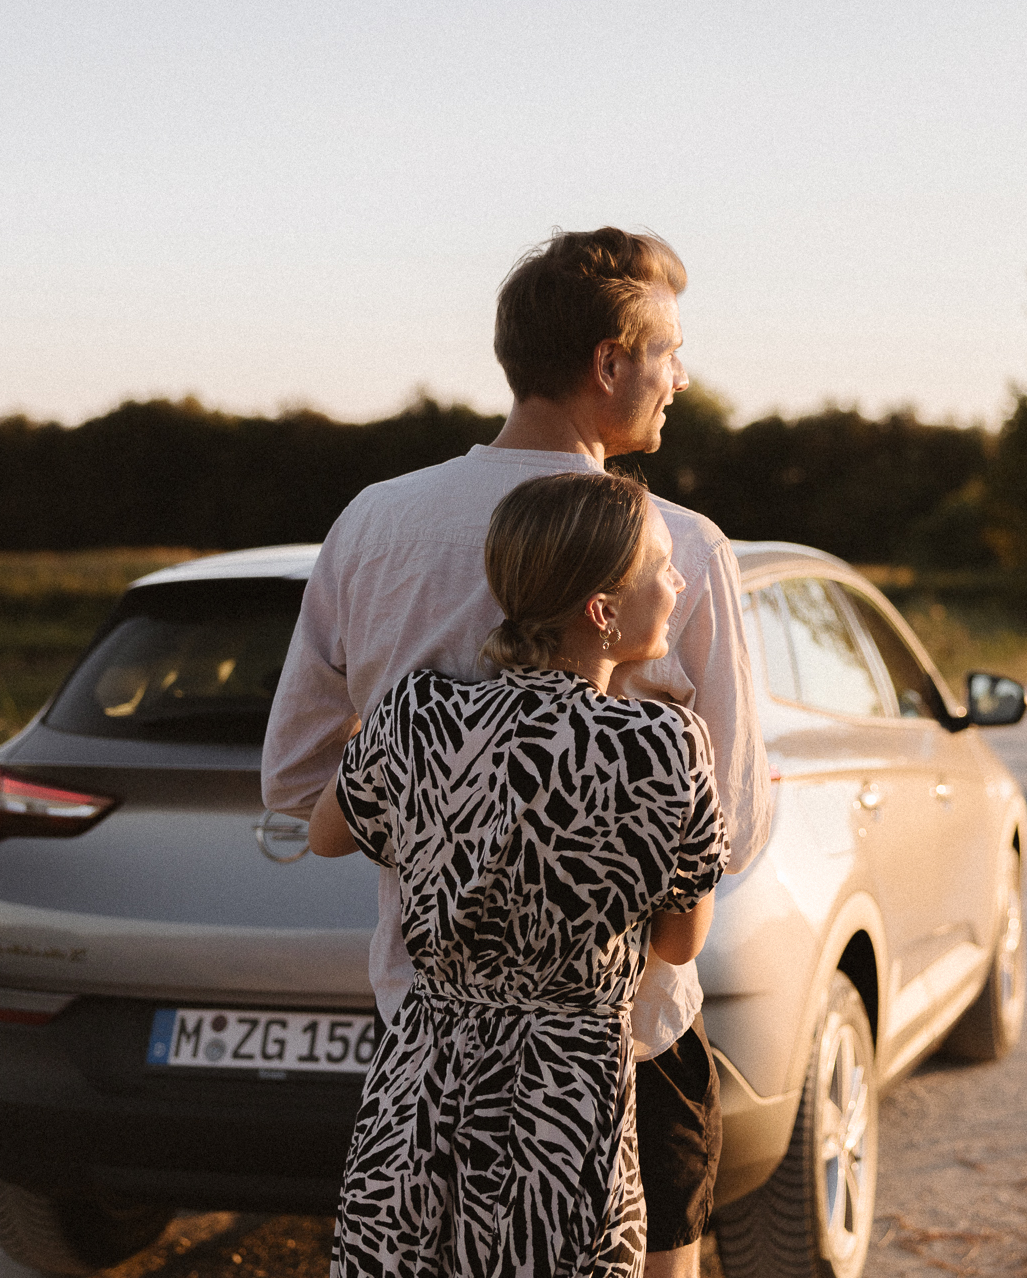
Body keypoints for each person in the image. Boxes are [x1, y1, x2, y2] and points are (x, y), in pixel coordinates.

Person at [263, 228, 772, 1276]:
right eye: (667, 350)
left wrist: (459, 831)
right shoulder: (676, 545)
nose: (681, 376)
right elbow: (731, 836)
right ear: (608, 362)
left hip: (425, 1033)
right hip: (613, 1051)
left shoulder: (370, 526)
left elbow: (296, 790)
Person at [308, 471, 725, 1278]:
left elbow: (328, 832)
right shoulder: (666, 748)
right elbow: (678, 941)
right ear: (600, 611)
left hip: (422, 1082)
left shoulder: (416, 714)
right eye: (663, 568)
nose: (677, 586)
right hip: (563, 1106)